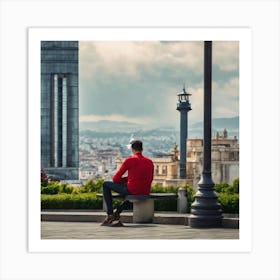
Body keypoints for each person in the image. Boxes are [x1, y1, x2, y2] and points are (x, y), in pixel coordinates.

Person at [101, 140, 154, 226]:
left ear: (132, 150)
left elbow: (115, 179)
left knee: (105, 184)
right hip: (145, 190)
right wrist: (129, 179)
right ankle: (117, 212)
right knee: (130, 194)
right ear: (142, 149)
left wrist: (126, 180)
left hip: (133, 189)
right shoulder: (149, 161)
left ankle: (110, 214)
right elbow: (150, 178)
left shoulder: (130, 160)